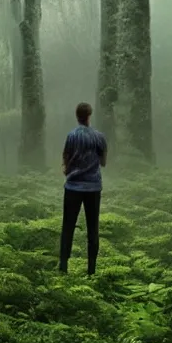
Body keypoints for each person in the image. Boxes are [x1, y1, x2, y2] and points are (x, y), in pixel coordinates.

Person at [59, 102, 108, 276]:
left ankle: (63, 268)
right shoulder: (98, 137)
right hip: (93, 187)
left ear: (77, 115)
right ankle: (91, 271)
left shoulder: (71, 135)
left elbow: (66, 156)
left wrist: (68, 169)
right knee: (92, 228)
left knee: (68, 227)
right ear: (89, 115)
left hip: (72, 186)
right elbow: (103, 162)